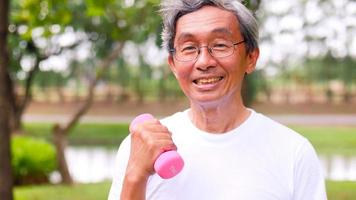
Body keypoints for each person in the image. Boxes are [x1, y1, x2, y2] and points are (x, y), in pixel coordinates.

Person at [108, 0, 327, 199]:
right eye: (189, 48)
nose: (204, 62)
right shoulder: (140, 148)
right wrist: (135, 176)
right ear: (173, 64)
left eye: (221, 45)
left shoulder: (293, 152)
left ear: (251, 58)